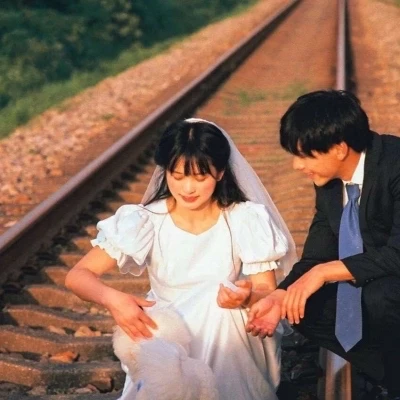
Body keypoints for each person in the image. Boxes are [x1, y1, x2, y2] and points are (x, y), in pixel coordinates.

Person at [65, 118, 297, 400]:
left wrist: (246, 297)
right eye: (177, 176)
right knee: (165, 344)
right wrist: (113, 300)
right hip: (168, 329)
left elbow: (266, 291)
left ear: (220, 173)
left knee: (219, 311)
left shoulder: (243, 218)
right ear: (165, 172)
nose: (188, 188)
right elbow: (78, 276)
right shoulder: (148, 219)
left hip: (226, 329)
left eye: (200, 178)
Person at [246, 90, 400, 400]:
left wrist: (325, 272)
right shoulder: (329, 183)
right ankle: (391, 376)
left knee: (380, 296)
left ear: (340, 149)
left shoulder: (395, 165)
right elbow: (317, 253)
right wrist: (281, 294)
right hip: (378, 279)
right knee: (301, 304)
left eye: (305, 156)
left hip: (389, 282)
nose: (296, 166)